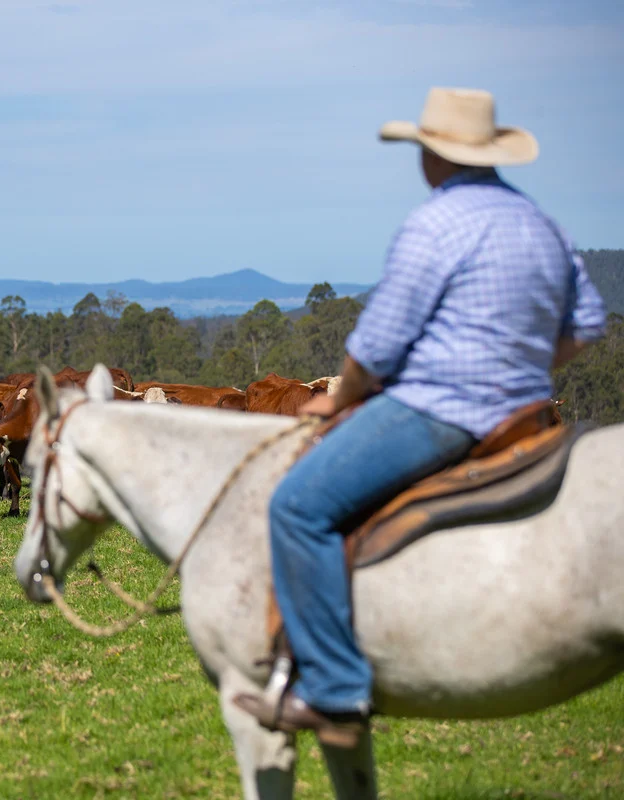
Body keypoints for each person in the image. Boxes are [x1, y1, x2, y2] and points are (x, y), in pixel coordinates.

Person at [233, 87, 606, 747]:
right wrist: (525, 367)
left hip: (444, 410)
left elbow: (375, 351)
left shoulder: (435, 225)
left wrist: (338, 399)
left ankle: (335, 691)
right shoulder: (542, 223)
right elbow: (586, 325)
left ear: (432, 155)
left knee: (297, 505)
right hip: (527, 413)